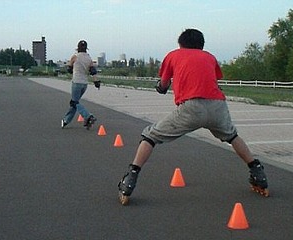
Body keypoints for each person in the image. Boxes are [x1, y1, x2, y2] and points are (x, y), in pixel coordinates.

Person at [118, 29, 269, 205]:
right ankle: (257, 172)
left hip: (191, 107)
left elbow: (164, 84)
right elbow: (212, 80)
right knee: (232, 136)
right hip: (217, 105)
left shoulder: (173, 55)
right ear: (201, 45)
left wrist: (160, 86)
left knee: (149, 136)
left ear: (180, 44)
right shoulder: (210, 57)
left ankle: (130, 179)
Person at [61, 40, 100, 130]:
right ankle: (66, 121)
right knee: (75, 103)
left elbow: (69, 69)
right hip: (84, 84)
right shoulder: (89, 58)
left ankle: (88, 116)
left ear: (77, 48)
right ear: (86, 48)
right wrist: (96, 82)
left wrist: (71, 67)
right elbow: (93, 72)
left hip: (76, 82)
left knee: (74, 102)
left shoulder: (75, 57)